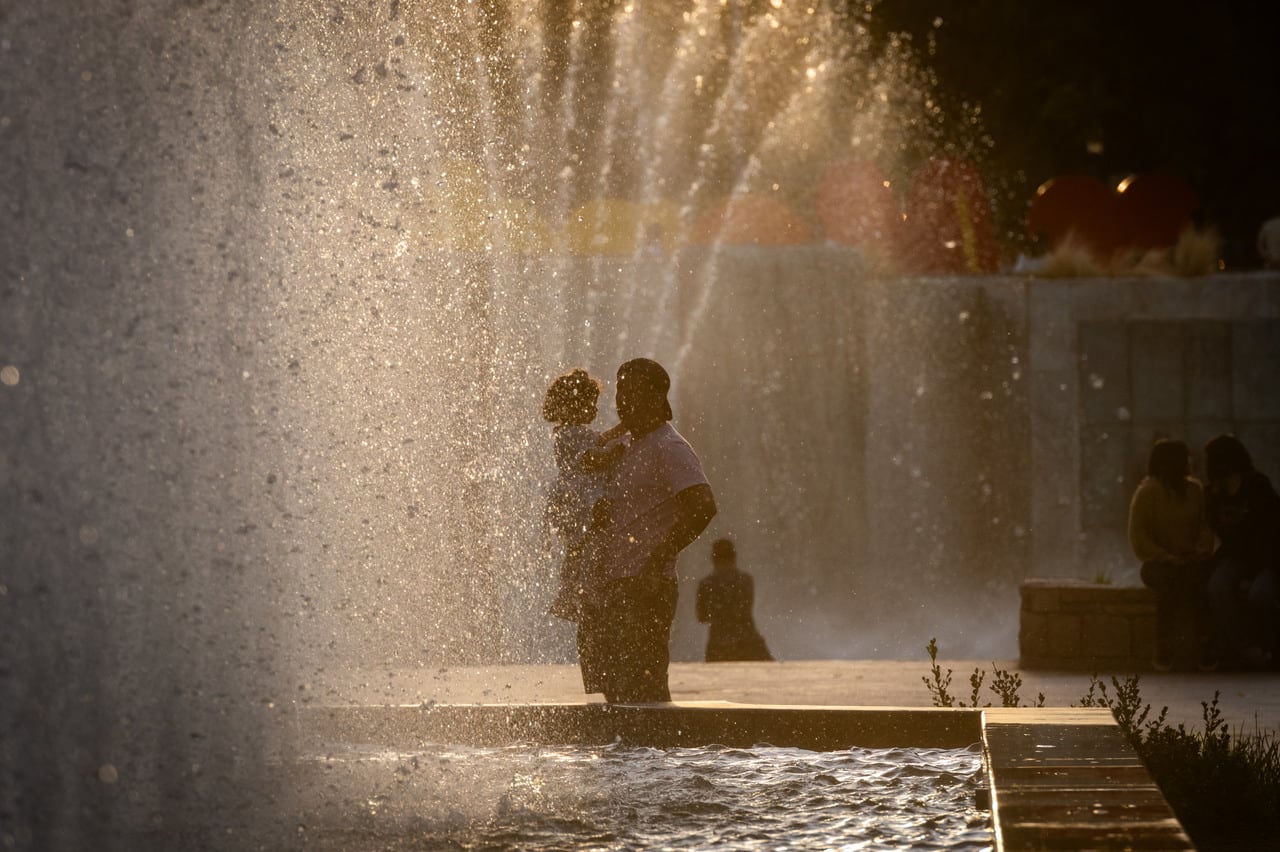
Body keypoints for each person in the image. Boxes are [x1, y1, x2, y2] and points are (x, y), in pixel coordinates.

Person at [578, 358, 717, 703]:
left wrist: (658, 559)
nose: (623, 400)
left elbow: (703, 506)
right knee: (615, 691)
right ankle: (631, 758)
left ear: (657, 397)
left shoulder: (669, 447)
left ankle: (656, 756)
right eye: (621, 391)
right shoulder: (624, 443)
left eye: (633, 392)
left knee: (644, 688)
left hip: (643, 586)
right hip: (611, 584)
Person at [541, 368, 625, 624]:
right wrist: (613, 454)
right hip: (578, 501)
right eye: (591, 404)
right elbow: (589, 458)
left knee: (577, 549)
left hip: (572, 498)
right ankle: (572, 596)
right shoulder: (571, 434)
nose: (596, 410)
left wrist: (622, 429)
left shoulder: (567, 432)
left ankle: (572, 594)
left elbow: (598, 440)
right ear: (574, 405)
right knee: (583, 548)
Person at [1126, 439, 1214, 671]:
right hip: (1160, 564)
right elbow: (1139, 536)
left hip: (1192, 561)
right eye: (1185, 458)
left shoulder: (1195, 490)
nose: (1189, 463)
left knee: (1198, 581)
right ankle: (1163, 644)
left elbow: (1205, 527)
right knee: (1170, 582)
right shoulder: (1147, 493)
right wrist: (1165, 556)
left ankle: (1205, 644)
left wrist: (1199, 551)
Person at [1203, 434, 1280, 669]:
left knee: (1261, 595)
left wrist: (1254, 574)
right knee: (1217, 585)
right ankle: (1245, 647)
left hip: (1269, 556)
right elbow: (1218, 530)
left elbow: (1272, 530)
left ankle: (1272, 648)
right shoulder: (1214, 494)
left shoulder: (1257, 485)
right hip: (1237, 556)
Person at [696, 538, 774, 662]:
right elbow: (745, 610)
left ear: (713, 559)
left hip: (719, 645)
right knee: (769, 675)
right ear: (734, 557)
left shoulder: (706, 584)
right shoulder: (745, 580)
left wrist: (718, 614)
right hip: (748, 642)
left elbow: (701, 617)